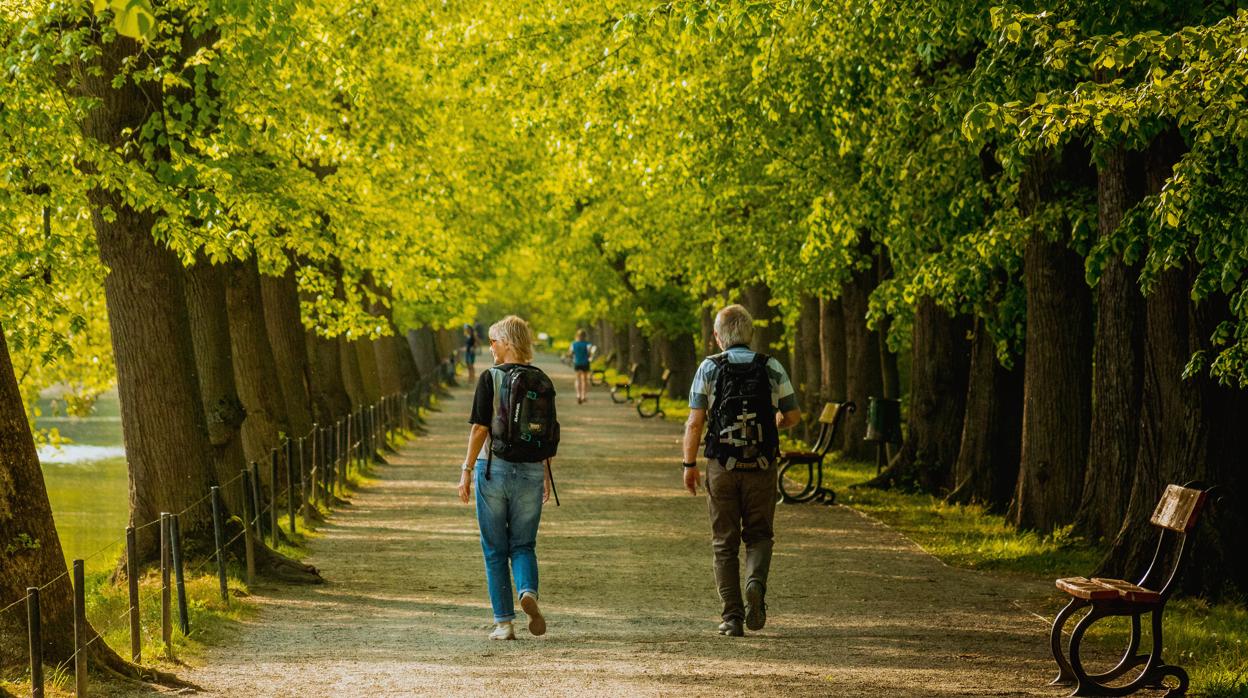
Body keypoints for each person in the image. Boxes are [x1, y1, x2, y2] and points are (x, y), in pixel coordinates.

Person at [680, 304, 801, 637]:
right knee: (760, 535)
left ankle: (732, 617)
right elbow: (793, 415)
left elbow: (694, 422)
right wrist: (776, 419)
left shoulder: (709, 368)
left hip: (722, 466)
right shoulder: (772, 366)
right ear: (750, 335)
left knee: (724, 542)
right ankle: (755, 582)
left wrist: (689, 464)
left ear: (718, 337)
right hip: (762, 466)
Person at [458, 315, 556, 641]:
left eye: (494, 341)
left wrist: (466, 470)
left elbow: (479, 429)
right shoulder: (541, 379)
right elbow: (547, 434)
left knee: (495, 550)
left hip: (494, 469)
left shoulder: (490, 378)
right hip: (530, 470)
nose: (491, 347)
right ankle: (528, 591)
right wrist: (543, 473)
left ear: (508, 343)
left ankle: (503, 623)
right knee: (524, 545)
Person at [567, 329, 595, 404]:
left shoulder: (573, 344)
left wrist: (571, 359)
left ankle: (578, 395)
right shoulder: (588, 344)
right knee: (585, 380)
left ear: (577, 336)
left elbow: (570, 354)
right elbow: (590, 354)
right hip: (585, 363)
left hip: (577, 363)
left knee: (578, 379)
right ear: (585, 336)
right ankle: (584, 396)